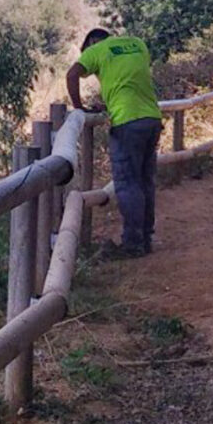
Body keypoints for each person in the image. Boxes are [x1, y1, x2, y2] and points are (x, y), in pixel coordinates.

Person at [66, 28, 162, 258]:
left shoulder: (96, 50)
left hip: (126, 122)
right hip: (152, 118)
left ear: (91, 43)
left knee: (128, 183)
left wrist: (79, 107)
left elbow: (72, 75)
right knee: (145, 181)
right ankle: (146, 238)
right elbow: (128, 79)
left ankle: (132, 244)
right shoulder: (138, 43)